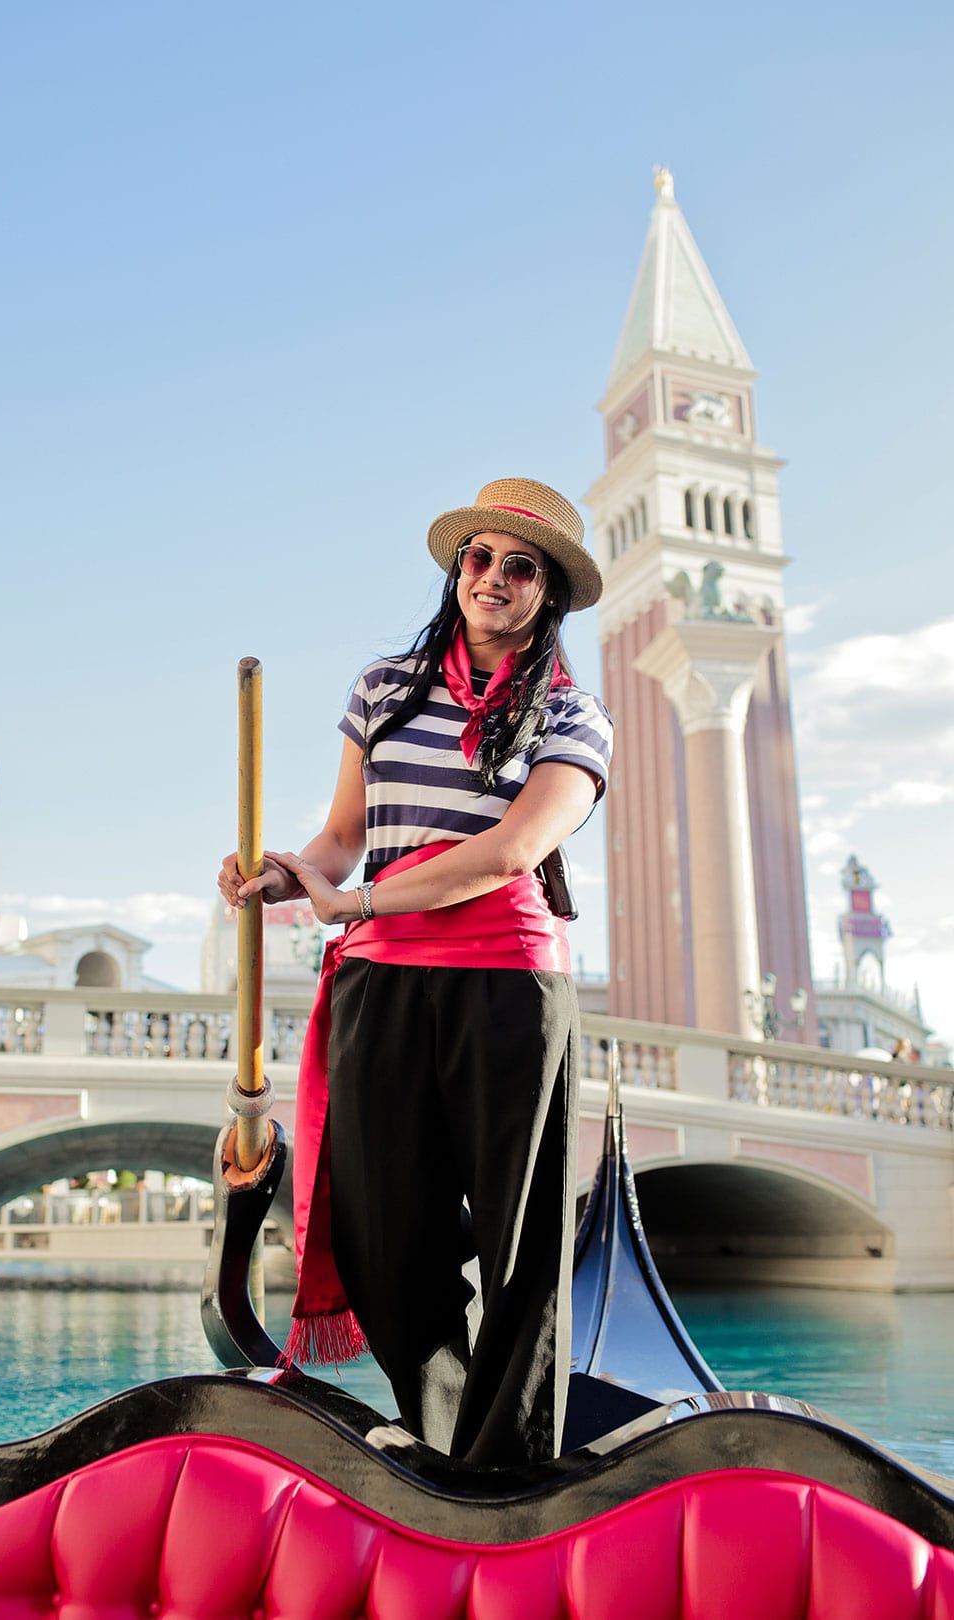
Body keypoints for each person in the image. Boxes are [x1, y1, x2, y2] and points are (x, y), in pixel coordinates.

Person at [219, 476, 613, 1467]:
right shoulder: (383, 689)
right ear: (458, 571)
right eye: (480, 559)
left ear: (547, 595)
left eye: (521, 568)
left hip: (506, 984)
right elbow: (347, 836)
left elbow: (508, 854)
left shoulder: (576, 719)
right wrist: (284, 875)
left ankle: (510, 1469)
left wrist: (346, 903)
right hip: (382, 982)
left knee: (521, 1249)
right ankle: (447, 1450)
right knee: (384, 1246)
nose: (494, 579)